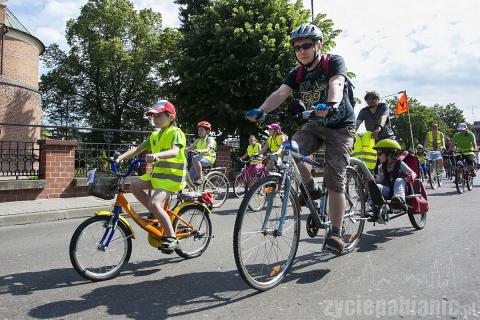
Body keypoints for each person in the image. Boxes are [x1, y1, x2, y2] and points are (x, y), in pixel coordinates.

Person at [246, 23, 356, 255]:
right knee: (290, 149)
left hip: (340, 127)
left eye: (306, 46)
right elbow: (281, 93)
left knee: (335, 179)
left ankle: (336, 233)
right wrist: (261, 109)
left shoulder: (333, 62)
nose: (301, 51)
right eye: (296, 47)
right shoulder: (297, 72)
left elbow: (337, 83)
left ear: (318, 45)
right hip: (314, 125)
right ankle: (310, 187)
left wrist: (331, 104)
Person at [116, 100, 186, 254]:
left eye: (159, 116)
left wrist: (156, 156)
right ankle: (157, 212)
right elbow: (137, 149)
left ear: (171, 117)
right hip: (157, 176)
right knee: (134, 186)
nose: (155, 119)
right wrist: (120, 158)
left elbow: (175, 151)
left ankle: (172, 237)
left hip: (172, 178)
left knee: (155, 202)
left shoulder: (176, 132)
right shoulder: (154, 135)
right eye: (153, 116)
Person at [373, 139, 416, 210]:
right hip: (388, 190)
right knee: (376, 186)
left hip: (402, 189)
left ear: (389, 154)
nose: (378, 156)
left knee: (399, 180)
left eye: (380, 154)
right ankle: (375, 205)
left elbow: (412, 173)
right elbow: (379, 181)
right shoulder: (381, 167)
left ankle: (399, 200)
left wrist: (410, 176)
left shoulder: (399, 164)